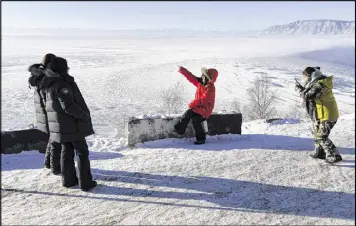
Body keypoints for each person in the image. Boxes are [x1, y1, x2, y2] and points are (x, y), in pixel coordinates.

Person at [42, 56, 97, 191]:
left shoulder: (49, 83)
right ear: (62, 69)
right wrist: (84, 115)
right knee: (82, 152)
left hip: (61, 126)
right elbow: (68, 106)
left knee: (67, 152)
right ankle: (86, 183)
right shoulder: (62, 85)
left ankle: (69, 181)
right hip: (72, 126)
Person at [295, 66, 342, 163]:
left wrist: (299, 90)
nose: (305, 79)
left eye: (306, 76)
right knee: (316, 133)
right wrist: (303, 88)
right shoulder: (318, 83)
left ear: (311, 76)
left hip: (328, 115)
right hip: (321, 114)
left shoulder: (320, 84)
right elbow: (311, 93)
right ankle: (320, 152)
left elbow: (308, 96)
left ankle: (335, 155)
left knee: (321, 136)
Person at [28, 53, 61, 175]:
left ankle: (48, 163)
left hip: (43, 113)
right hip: (49, 113)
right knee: (56, 140)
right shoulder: (46, 78)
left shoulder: (37, 76)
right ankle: (55, 167)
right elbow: (49, 97)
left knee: (52, 139)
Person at [174, 66, 218, 144]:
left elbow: (203, 100)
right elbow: (191, 77)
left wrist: (192, 104)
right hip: (199, 106)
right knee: (196, 120)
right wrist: (183, 70)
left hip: (205, 109)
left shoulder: (210, 88)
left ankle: (179, 130)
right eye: (203, 75)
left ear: (208, 78)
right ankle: (201, 139)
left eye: (204, 75)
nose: (202, 76)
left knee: (189, 113)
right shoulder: (200, 83)